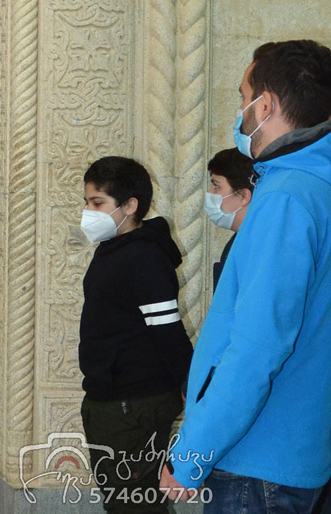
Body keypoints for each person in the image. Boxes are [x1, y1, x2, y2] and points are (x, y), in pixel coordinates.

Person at [163, 40, 331, 512]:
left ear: (268, 105)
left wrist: (193, 454)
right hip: (298, 451)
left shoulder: (285, 199)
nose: (239, 112)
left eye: (243, 97)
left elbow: (257, 346)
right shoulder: (315, 187)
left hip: (257, 462)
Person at [77, 156, 192, 513]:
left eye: (98, 203)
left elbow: (169, 333)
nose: (89, 212)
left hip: (132, 402)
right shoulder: (115, 249)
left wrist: (193, 390)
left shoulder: (142, 257)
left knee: (132, 504)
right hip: (114, 398)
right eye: (87, 203)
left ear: (130, 206)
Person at [205, 147, 255, 290]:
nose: (210, 192)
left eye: (216, 186)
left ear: (244, 196)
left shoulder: (256, 246)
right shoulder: (238, 241)